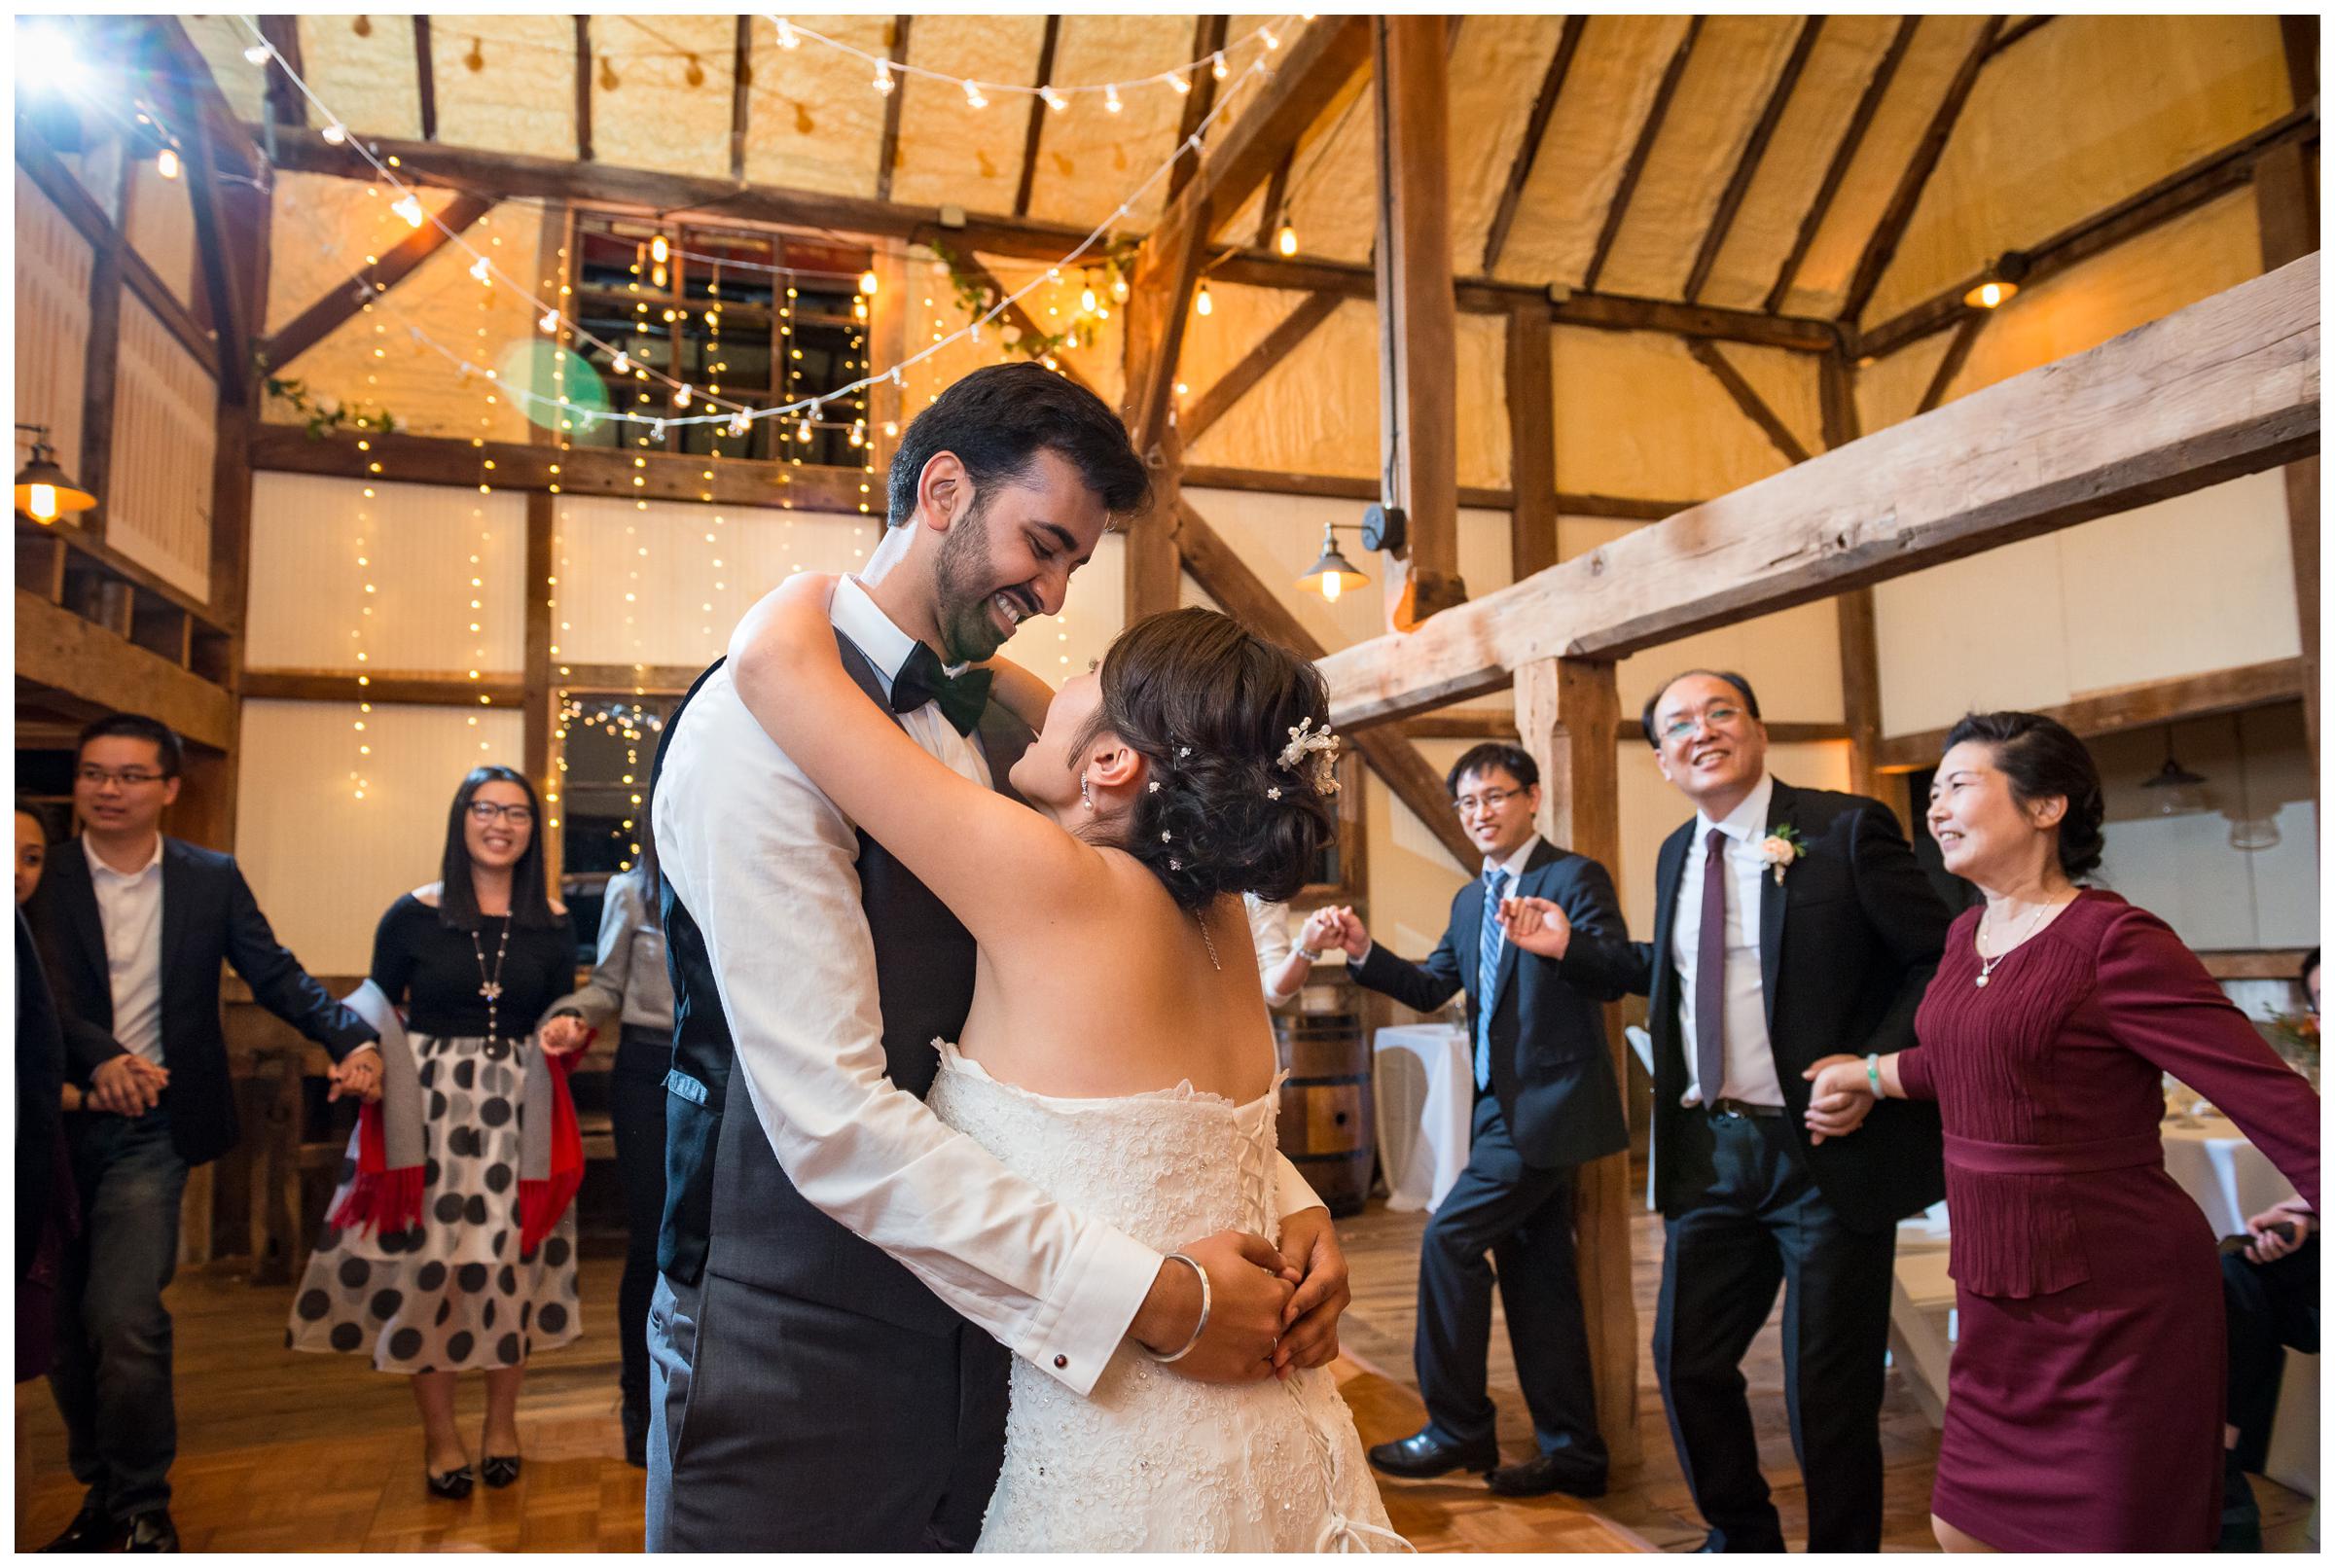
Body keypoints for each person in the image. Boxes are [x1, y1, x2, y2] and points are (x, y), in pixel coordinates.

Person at [646, 362, 1354, 1550]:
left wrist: (1287, 1197)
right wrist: (1153, 1295)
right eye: (1044, 543)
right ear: (940, 490)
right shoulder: (756, 733)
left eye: (1077, 561)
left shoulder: (998, 735)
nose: (1058, 590)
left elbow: (1115, 1078)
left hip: (1016, 1342)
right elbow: (830, 1116)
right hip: (800, 1339)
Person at [730, 580, 1401, 1550]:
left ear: (1116, 762)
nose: (1060, 680)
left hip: (1130, 1475)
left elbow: (772, 664)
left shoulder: (1051, 881)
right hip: (1276, 1436)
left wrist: (870, 577)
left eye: (1094, 674)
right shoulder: (1223, 926)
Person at [1806, 711, 2319, 1552]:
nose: (1935, 809)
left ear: (2047, 807)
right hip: (1999, 1294)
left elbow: (2263, 1090)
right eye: (1931, 793)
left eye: (1959, 786)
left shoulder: (2115, 941)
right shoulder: (1967, 933)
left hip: (2118, 1303)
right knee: (1961, 1526)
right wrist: (1867, 1076)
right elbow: (1968, 1058)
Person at [1529, 670, 1952, 1551]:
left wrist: (1871, 1068)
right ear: (1661, 761)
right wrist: (1574, 950)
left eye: (1721, 712)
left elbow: (1936, 958)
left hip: (1828, 1150)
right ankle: (1739, 1534)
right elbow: (1677, 977)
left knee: (1825, 1394)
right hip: (1713, 1155)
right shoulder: (1678, 853)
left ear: (1757, 730)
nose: (1703, 731)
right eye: (1679, 724)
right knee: (1687, 1367)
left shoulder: (1843, 828)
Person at [26, 714, 380, 1553]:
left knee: (123, 1315)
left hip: (152, 1126)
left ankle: (145, 1501)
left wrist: (350, 1037)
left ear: (168, 790)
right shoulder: (41, 874)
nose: (107, 790)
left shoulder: (207, 878)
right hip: (52, 1123)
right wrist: (101, 1056)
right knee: (64, 1334)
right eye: (92, 774)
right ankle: (101, 1494)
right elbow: (36, 993)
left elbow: (274, 971)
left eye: (128, 776)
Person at [1311, 741, 1629, 1499]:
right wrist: (1364, 952)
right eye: (1467, 803)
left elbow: (1613, 969)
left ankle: (1458, 1426)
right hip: (1497, 1112)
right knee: (1539, 1281)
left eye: (1494, 797)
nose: (1480, 813)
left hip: (1547, 1113)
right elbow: (1427, 988)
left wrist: (1563, 942)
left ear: (1531, 798)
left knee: (1449, 1240)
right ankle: (1576, 1455)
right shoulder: (1470, 899)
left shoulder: (1571, 877)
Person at [288, 766, 585, 1501]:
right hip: (428, 1108)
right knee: (435, 1275)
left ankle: (501, 1427)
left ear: (532, 829)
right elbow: (370, 1001)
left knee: (508, 1267)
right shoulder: (413, 914)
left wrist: (569, 1022)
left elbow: (558, 1007)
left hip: (520, 1110)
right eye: (485, 809)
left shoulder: (551, 918)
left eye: (516, 813)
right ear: (461, 819)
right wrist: (356, 1056)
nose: (500, 824)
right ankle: (441, 1436)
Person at [541, 849, 670, 1468]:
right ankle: (638, 1406)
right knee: (650, 1244)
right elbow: (608, 987)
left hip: (736, 1072)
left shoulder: (736, 864)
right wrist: (569, 1015)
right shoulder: (631, 890)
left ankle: (701, 1400)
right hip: (648, 1069)